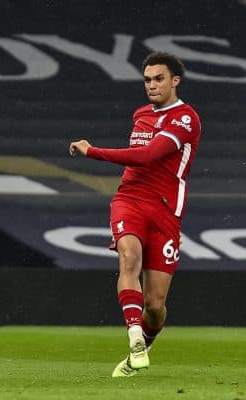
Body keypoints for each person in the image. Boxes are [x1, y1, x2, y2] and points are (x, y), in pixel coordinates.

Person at [69, 51, 201, 377]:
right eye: (147, 79)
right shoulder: (140, 114)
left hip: (166, 212)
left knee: (155, 307)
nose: (152, 85)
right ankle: (134, 339)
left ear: (175, 81)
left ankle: (143, 345)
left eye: (158, 79)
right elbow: (137, 165)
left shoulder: (186, 118)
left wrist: (93, 151)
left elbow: (147, 156)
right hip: (129, 200)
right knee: (129, 259)